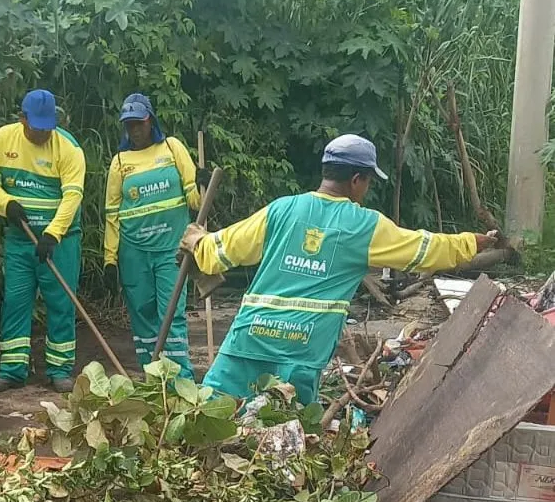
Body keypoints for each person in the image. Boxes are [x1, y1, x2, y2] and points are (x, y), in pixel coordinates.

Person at [179, 134, 501, 405]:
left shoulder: (281, 209)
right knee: (284, 444)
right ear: (356, 180)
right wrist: (472, 242)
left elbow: (220, 251)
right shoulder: (363, 226)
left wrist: (198, 241)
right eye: (368, 181)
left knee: (208, 421)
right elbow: (424, 249)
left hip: (247, 341)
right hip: (300, 352)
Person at [0, 89, 86, 393]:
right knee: (15, 301)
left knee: (61, 302)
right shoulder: (2, 140)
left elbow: (73, 195)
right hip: (20, 239)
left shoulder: (68, 148)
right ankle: (12, 370)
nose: (42, 133)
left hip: (59, 242)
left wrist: (53, 232)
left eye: (47, 127)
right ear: (22, 118)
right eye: (36, 127)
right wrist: (5, 203)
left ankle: (60, 370)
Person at [103, 93, 205, 379]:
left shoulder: (172, 149)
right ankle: (152, 378)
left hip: (170, 249)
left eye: (139, 123)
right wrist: (110, 258)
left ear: (151, 121)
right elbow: (112, 212)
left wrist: (201, 182)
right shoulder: (120, 161)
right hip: (133, 252)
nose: (134, 130)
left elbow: (194, 201)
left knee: (171, 313)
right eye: (129, 125)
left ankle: (179, 380)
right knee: (142, 314)